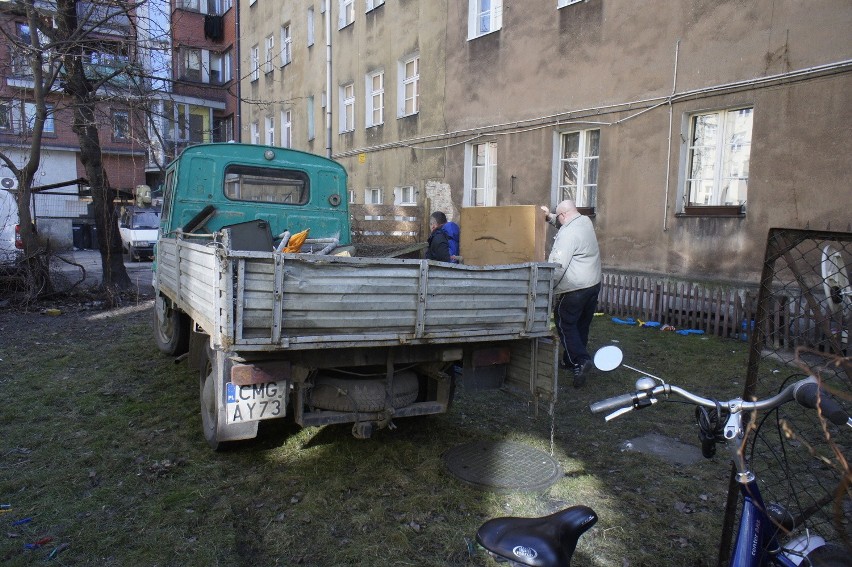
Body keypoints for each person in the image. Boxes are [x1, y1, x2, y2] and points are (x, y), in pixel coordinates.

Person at [541, 200, 601, 387]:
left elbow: (558, 268)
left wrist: (546, 288)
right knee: (581, 324)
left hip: (575, 287)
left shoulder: (567, 234)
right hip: (593, 284)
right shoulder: (584, 221)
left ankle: (581, 360)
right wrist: (550, 217)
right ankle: (569, 360)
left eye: (558, 217)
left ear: (564, 215)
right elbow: (565, 220)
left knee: (564, 322)